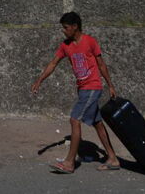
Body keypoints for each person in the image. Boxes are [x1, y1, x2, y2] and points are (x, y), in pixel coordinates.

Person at [31, 11, 121, 174]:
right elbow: (53, 64)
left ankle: (69, 163)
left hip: (93, 87)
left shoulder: (90, 42)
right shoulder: (65, 46)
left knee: (74, 120)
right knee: (97, 123)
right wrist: (39, 80)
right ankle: (113, 158)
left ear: (75, 27)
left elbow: (101, 65)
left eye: (65, 28)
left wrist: (110, 85)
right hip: (82, 89)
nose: (63, 31)